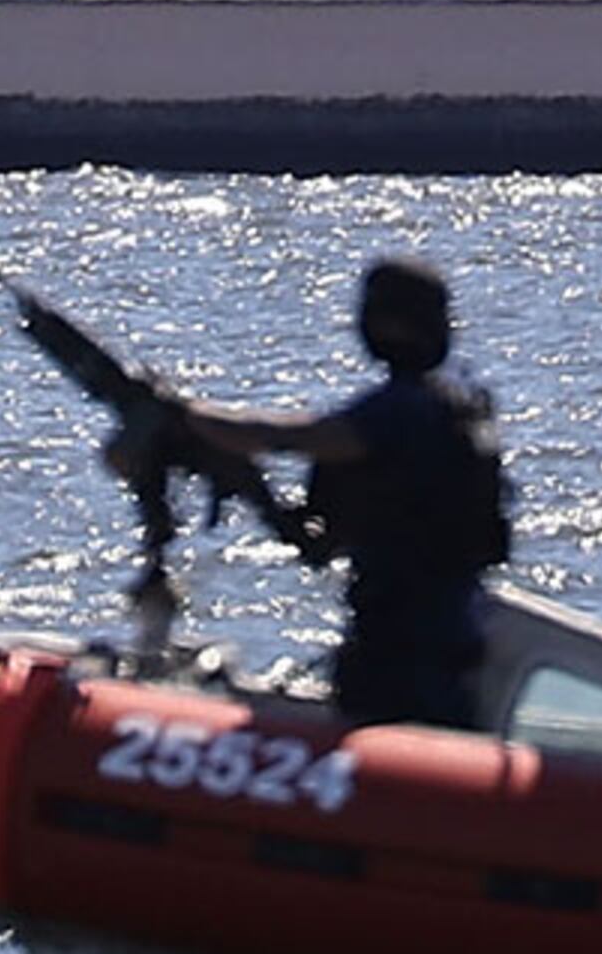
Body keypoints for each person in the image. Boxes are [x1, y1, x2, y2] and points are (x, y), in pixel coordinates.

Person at [187, 259, 514, 728]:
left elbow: (302, 437)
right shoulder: (459, 403)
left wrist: (195, 417)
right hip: (446, 640)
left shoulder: (404, 408)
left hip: (404, 653)